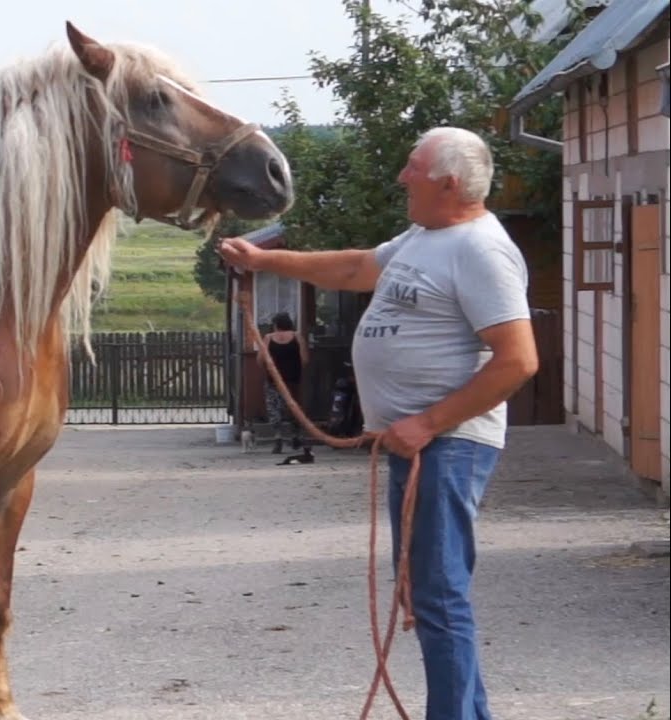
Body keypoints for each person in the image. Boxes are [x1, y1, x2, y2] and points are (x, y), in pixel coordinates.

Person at [219, 126, 539, 720]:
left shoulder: (481, 251)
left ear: (448, 181)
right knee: (427, 594)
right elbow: (355, 269)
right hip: (419, 445)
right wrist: (264, 260)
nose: (401, 177)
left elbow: (519, 360)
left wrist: (428, 423)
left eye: (411, 167)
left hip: (447, 445)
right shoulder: (425, 236)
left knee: (438, 597)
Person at [257, 310, 308, 453]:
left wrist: (268, 370)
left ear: (275, 325)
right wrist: (295, 370)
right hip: (293, 379)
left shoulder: (268, 338)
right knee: (293, 408)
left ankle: (278, 437)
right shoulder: (297, 337)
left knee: (274, 408)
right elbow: (304, 360)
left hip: (274, 379)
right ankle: (295, 436)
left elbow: (260, 360)